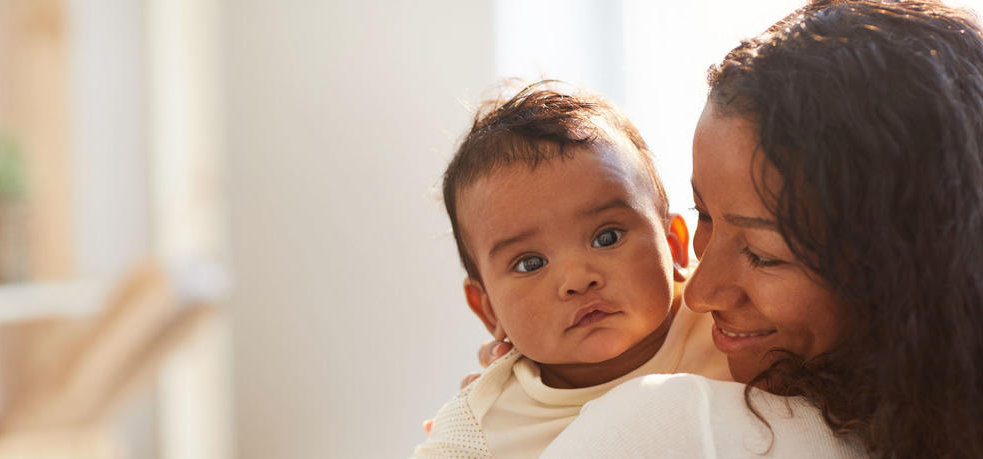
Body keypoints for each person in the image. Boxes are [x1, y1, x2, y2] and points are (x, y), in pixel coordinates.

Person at [480, 1, 982, 457]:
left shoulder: (671, 424)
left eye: (763, 253)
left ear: (908, 272)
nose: (698, 291)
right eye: (704, 215)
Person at [413, 83, 729, 458]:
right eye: (530, 263)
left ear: (674, 245)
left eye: (607, 237)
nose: (578, 279)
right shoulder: (480, 425)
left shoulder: (727, 321)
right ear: (489, 310)